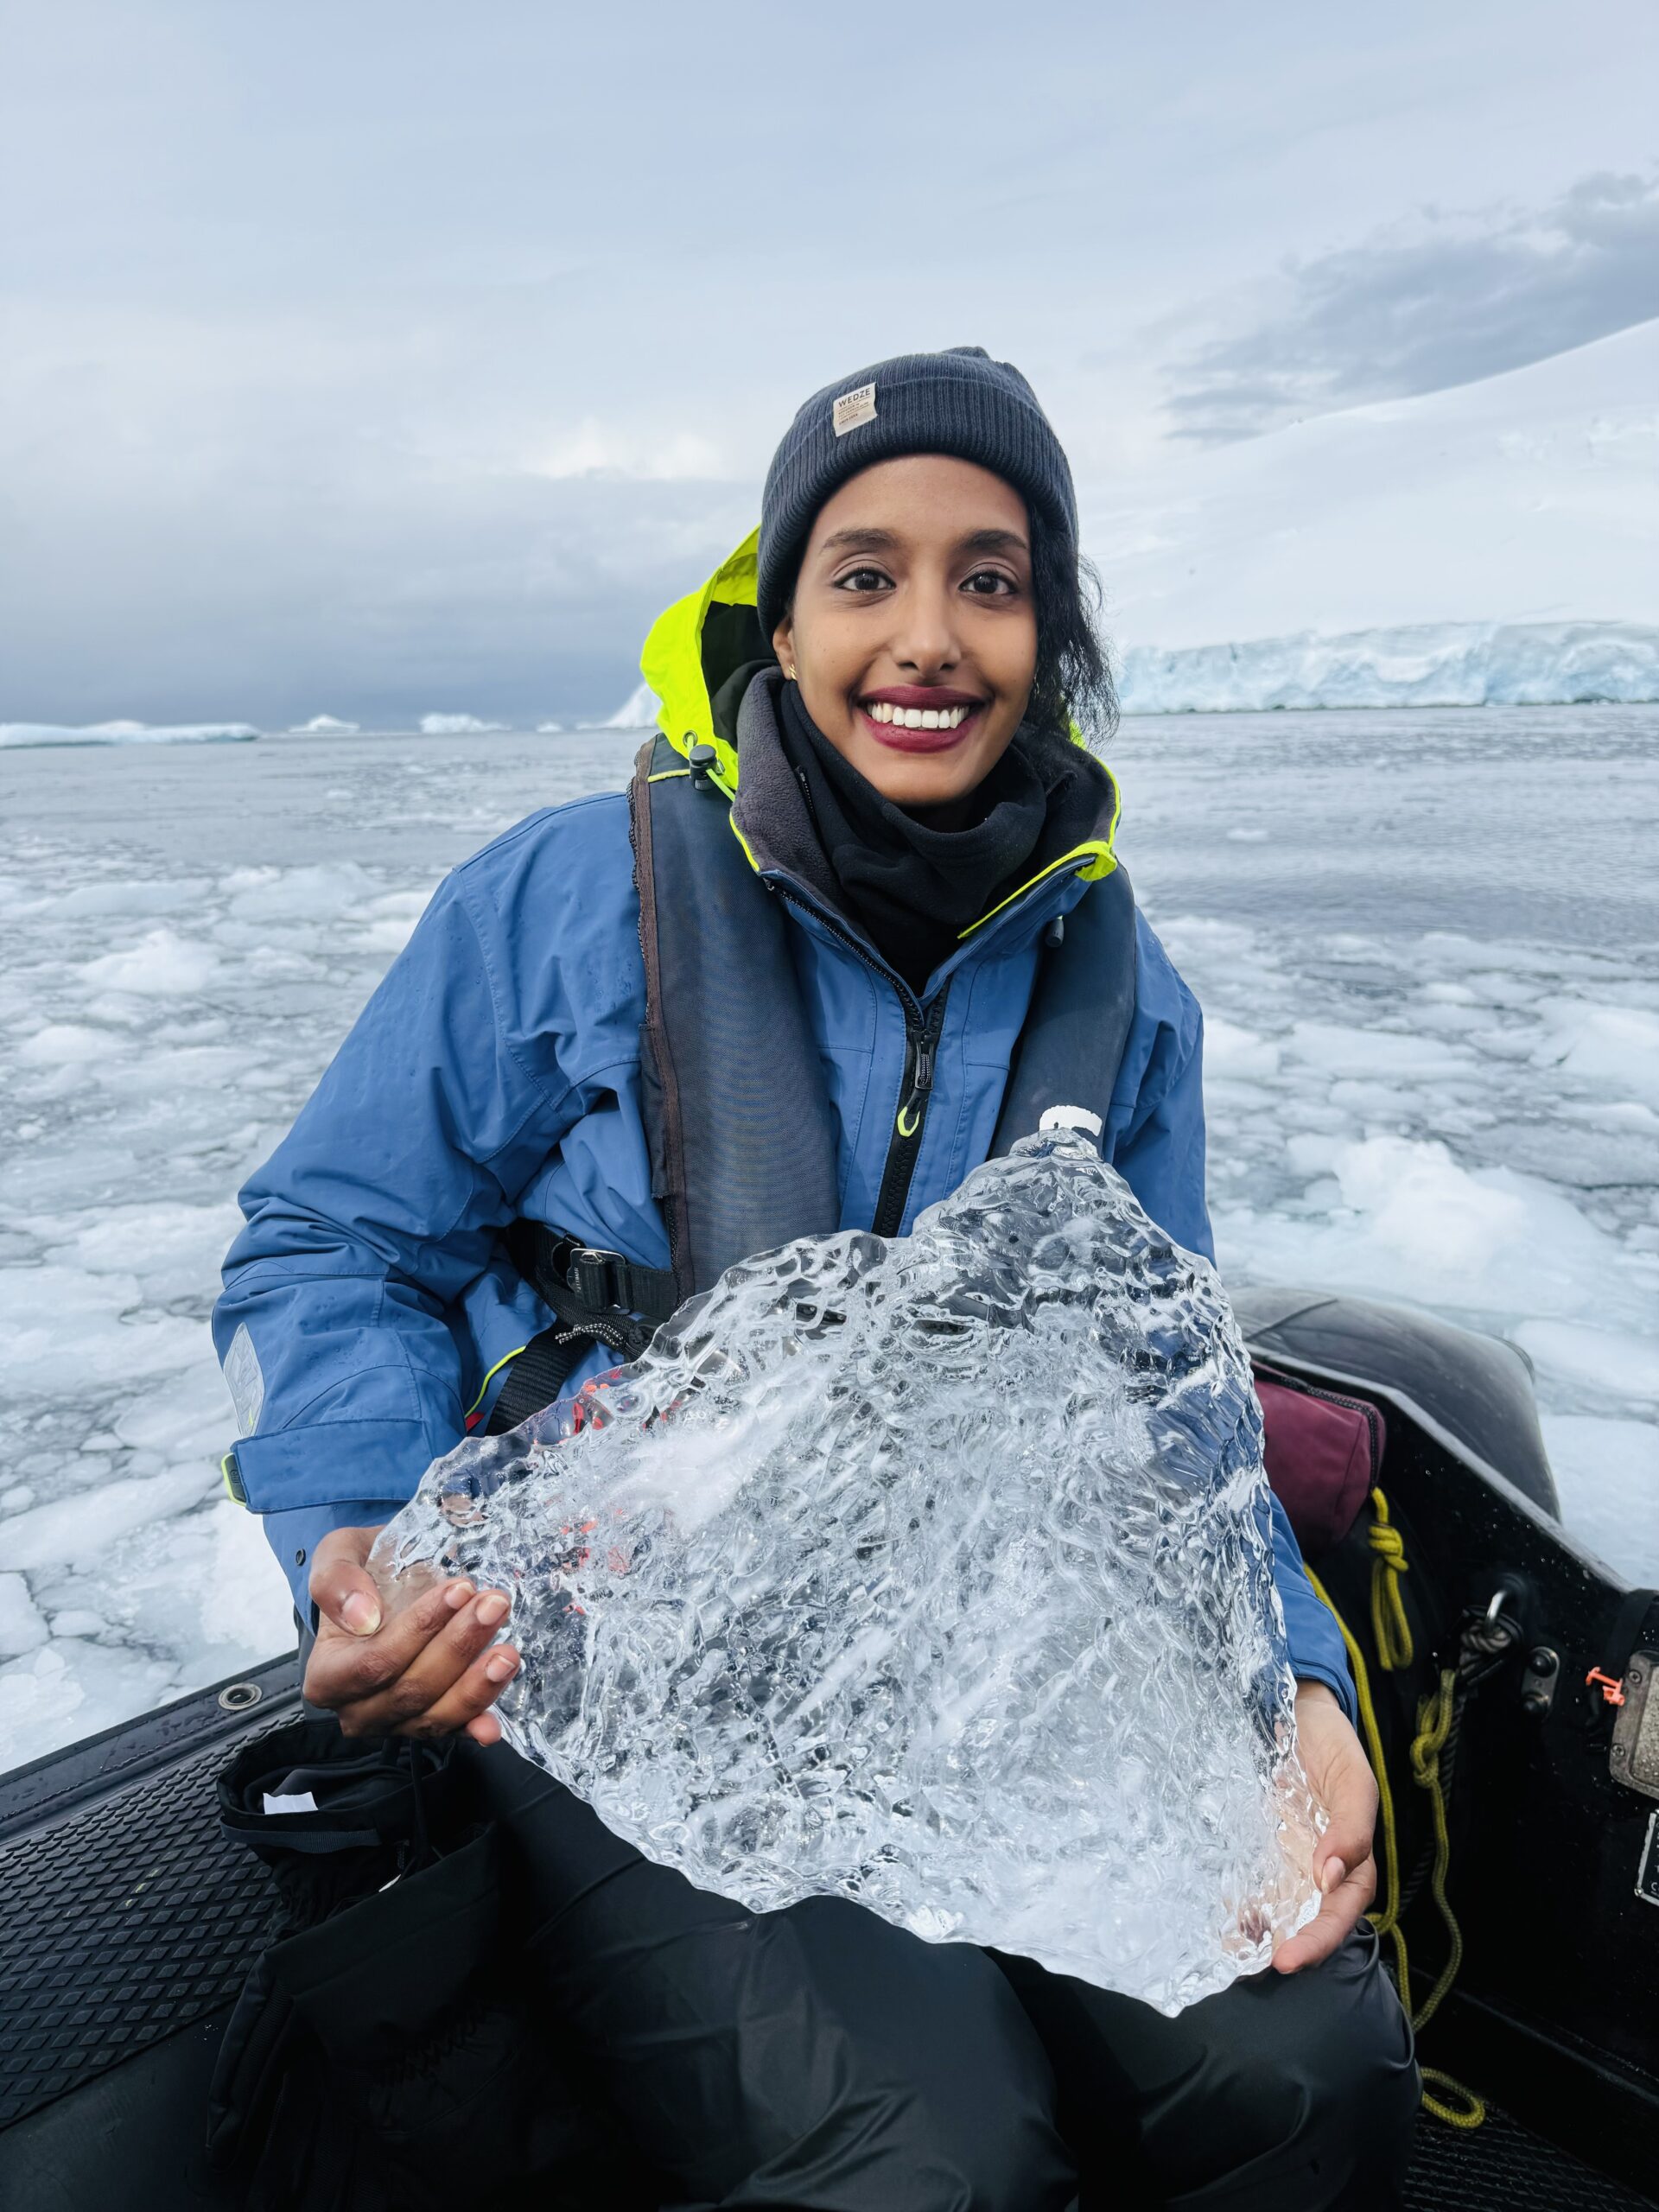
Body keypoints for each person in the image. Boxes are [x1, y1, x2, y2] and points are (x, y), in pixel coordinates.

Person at [215, 347, 1419, 2209]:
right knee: (928, 2162)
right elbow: (335, 1234)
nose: (926, 636)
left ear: (1051, 635)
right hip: (623, 1657)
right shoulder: (565, 896)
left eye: (990, 578)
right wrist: (366, 1524)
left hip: (988, 1645)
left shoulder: (1122, 985)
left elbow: (1169, 1408)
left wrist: (1299, 1687)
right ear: (780, 621)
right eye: (865, 574)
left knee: (1306, 2063)